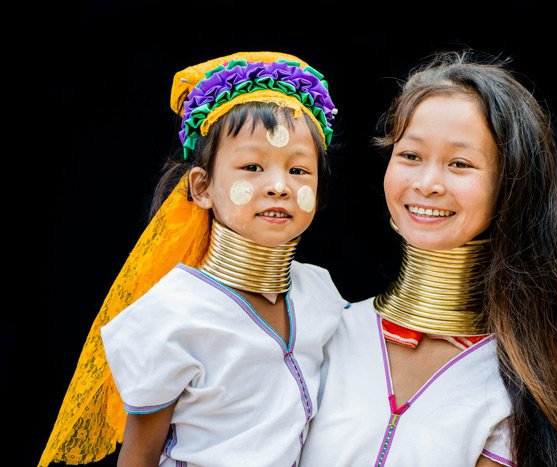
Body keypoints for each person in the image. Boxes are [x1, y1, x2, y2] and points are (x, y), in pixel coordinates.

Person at [299, 50, 557, 466]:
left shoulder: (517, 383)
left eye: (460, 163)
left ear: (512, 186)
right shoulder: (320, 330)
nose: (428, 183)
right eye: (410, 156)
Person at [39, 51, 347, 466]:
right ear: (201, 187)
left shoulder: (321, 294)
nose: (279, 186)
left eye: (299, 171)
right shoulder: (169, 317)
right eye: (252, 166)